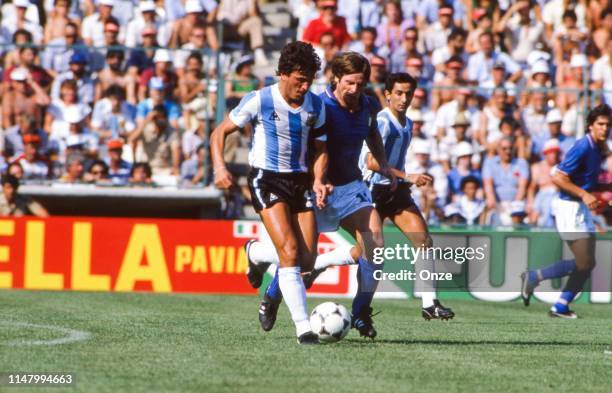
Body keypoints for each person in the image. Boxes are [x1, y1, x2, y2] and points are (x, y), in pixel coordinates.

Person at [245, 52, 396, 340]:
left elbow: (372, 132)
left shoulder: (367, 104)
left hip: (351, 187)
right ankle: (271, 296)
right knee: (301, 260)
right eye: (350, 83)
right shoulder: (318, 105)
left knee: (374, 243)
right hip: (315, 188)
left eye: (361, 84)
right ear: (335, 79)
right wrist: (318, 181)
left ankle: (361, 312)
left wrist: (384, 164)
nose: (355, 90)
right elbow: (310, 148)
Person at [210, 42, 328, 345]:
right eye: (300, 79)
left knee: (306, 260)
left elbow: (321, 149)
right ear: (283, 74)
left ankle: (256, 253)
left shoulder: (316, 106)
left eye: (309, 80)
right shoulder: (259, 100)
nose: (305, 87)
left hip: (300, 181)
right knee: (289, 251)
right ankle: (304, 328)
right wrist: (220, 168)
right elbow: (219, 132)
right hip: (267, 179)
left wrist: (318, 180)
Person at [521, 104, 611, 318]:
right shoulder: (582, 146)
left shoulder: (599, 148)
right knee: (584, 262)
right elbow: (558, 177)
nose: (605, 129)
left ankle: (560, 306)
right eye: (600, 124)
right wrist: (584, 195)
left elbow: (588, 182)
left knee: (588, 264)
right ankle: (534, 276)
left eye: (608, 125)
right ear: (590, 126)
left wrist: (604, 190)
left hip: (580, 207)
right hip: (568, 207)